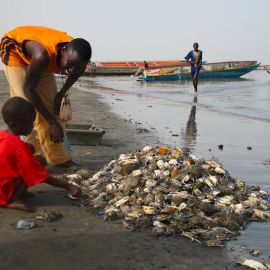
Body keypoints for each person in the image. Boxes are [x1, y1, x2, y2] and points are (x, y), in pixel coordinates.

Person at [0, 26, 92, 167]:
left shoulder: (78, 59)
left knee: (51, 109)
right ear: (63, 51)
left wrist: (61, 94)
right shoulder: (42, 56)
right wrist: (52, 123)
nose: (71, 70)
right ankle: (29, 156)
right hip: (15, 53)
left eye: (78, 67)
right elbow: (28, 89)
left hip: (42, 62)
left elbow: (75, 71)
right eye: (69, 65)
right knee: (25, 109)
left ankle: (59, 159)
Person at [0, 97, 81, 211]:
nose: (32, 127)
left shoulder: (3, 135)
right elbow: (42, 175)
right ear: (14, 124)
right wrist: (67, 186)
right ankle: (12, 199)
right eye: (28, 124)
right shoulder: (18, 147)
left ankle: (15, 193)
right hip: (2, 193)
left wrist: (29, 149)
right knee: (37, 163)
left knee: (35, 155)